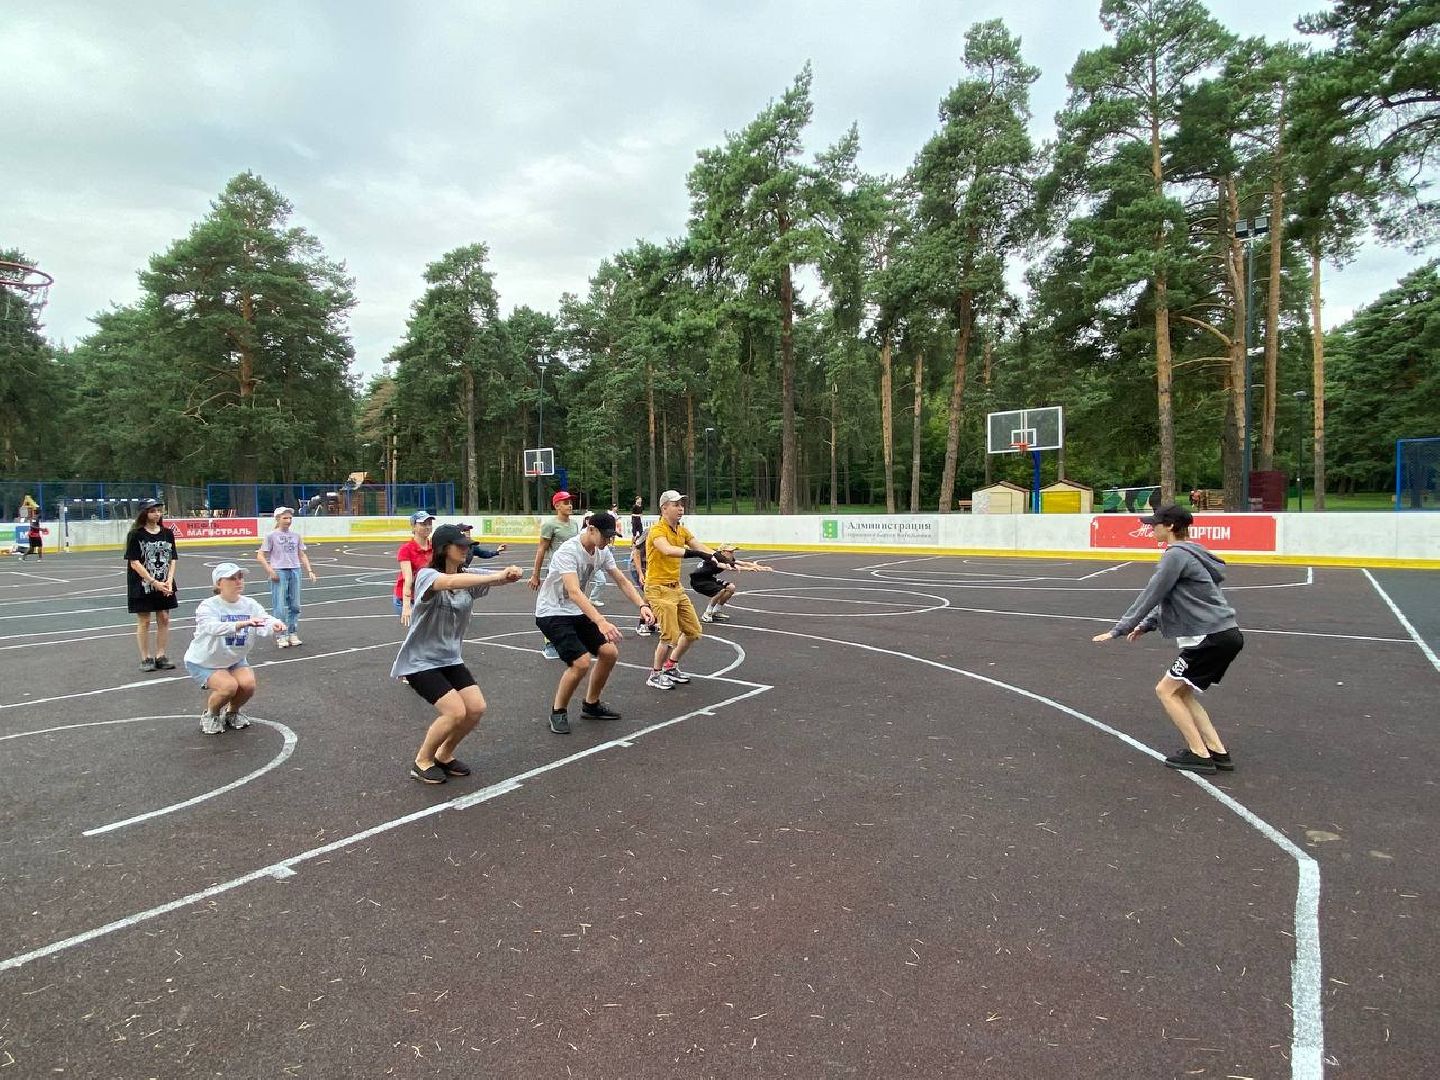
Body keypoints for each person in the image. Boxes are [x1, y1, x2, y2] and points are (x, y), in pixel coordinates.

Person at [1091, 504, 1244, 775]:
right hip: (1225, 634)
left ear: (1170, 526)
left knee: (1165, 691)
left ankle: (1200, 755)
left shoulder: (1175, 556)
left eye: (1155, 523)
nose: (1151, 527)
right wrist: (1147, 624)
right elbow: (1171, 599)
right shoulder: (1192, 554)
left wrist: (1121, 628)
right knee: (1182, 693)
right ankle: (1218, 751)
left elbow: (1151, 594)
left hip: (1208, 637)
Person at [390, 523, 524, 784]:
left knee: (475, 709)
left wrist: (508, 573)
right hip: (420, 661)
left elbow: (484, 577)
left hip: (450, 658)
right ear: (443, 548)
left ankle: (444, 755)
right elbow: (450, 581)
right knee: (454, 712)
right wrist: (495, 577)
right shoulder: (428, 576)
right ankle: (422, 761)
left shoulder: (468, 576)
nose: (466, 550)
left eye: (468, 546)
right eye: (460, 546)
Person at [534, 511, 656, 735]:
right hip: (551, 611)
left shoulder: (602, 551)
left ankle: (591, 705)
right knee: (580, 662)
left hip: (575, 611)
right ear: (591, 529)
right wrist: (600, 621)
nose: (608, 542)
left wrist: (642, 605)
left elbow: (620, 579)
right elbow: (574, 591)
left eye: (612, 537)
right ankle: (558, 711)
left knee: (609, 653)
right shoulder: (568, 551)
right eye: (606, 537)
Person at [185, 562, 288, 735]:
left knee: (248, 686)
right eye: (232, 578)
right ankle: (211, 715)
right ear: (219, 583)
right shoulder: (208, 606)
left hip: (233, 658)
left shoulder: (250, 604)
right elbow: (212, 627)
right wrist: (241, 624)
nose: (238, 581)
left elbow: (263, 620)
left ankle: (232, 712)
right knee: (228, 687)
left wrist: (275, 625)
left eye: (240, 577)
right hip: (205, 660)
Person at [643, 490, 716, 689]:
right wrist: (698, 554)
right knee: (669, 636)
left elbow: (698, 545)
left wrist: (720, 557)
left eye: (681, 504)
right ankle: (655, 674)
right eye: (676, 504)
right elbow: (667, 549)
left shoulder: (681, 531)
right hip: (658, 589)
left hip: (676, 589)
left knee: (693, 631)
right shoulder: (657, 530)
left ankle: (670, 666)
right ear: (664, 508)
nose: (680, 508)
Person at [124, 498, 180, 672]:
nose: (157, 514)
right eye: (153, 510)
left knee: (164, 618)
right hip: (143, 584)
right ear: (144, 513)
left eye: (159, 510)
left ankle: (160, 655)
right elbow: (134, 562)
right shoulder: (136, 534)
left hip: (164, 583)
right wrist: (153, 581)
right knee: (145, 621)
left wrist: (169, 580)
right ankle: (145, 657)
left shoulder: (167, 533)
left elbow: (172, 559)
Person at [256, 507, 317, 648]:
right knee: (279, 606)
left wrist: (309, 570)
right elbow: (260, 555)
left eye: (290, 518)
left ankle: (292, 632)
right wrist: (270, 571)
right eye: (285, 518)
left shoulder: (296, 536)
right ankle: (281, 635)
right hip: (280, 571)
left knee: (295, 605)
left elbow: (301, 554)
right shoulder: (271, 536)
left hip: (295, 570)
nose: (288, 521)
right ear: (278, 519)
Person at [529, 491, 580, 659]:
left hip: (571, 571)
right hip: (555, 571)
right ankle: (549, 642)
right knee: (553, 605)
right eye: (565, 502)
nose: (569, 505)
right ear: (557, 506)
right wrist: (535, 574)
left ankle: (568, 639)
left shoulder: (574, 525)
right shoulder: (550, 525)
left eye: (570, 502)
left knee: (571, 604)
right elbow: (541, 549)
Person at [693, 544, 770, 623]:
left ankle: (716, 611)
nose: (732, 553)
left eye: (733, 551)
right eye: (730, 552)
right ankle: (707, 613)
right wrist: (749, 569)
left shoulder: (725, 558)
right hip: (698, 581)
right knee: (721, 590)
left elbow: (741, 563)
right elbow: (729, 567)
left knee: (731, 588)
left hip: (709, 579)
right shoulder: (716, 558)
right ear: (723, 552)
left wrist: (760, 567)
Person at [395, 511, 435, 625]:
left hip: (425, 596)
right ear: (414, 527)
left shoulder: (434, 547)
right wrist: (406, 606)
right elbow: (408, 579)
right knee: (421, 632)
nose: (427, 527)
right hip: (408, 597)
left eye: (429, 523)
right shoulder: (406, 549)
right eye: (423, 524)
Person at [629, 524, 654, 636]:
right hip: (639, 565)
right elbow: (636, 551)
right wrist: (640, 573)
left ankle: (652, 622)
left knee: (657, 594)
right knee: (650, 593)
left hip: (652, 568)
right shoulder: (650, 532)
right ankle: (642, 623)